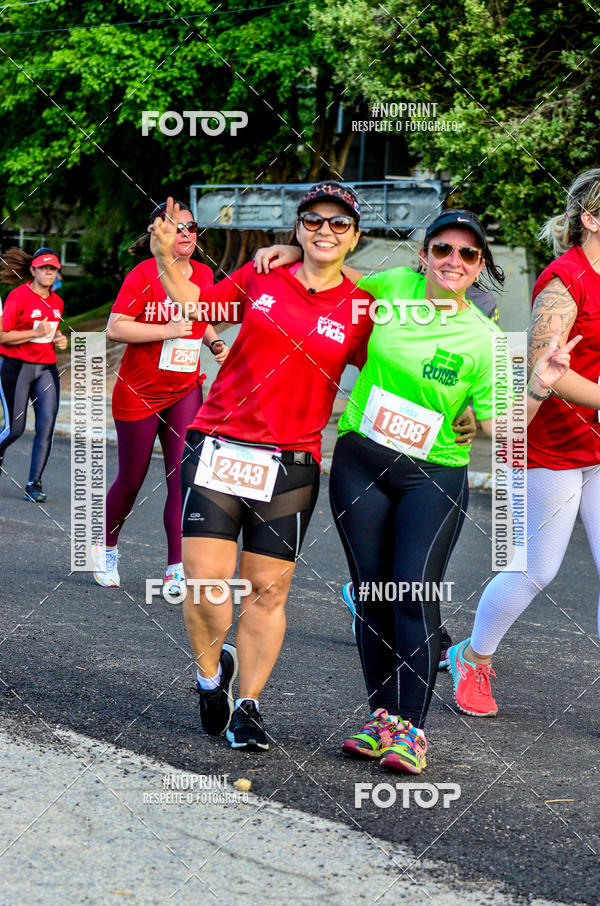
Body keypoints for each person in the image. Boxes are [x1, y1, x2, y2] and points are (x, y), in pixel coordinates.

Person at [255, 208, 577, 774]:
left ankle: (412, 730)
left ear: (480, 267)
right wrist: (289, 254)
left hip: (433, 474)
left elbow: (504, 424)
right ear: (424, 254)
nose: (454, 261)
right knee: (372, 595)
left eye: (468, 254)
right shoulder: (388, 287)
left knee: (412, 593)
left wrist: (542, 385)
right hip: (361, 463)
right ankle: (382, 719)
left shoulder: (483, 337)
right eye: (443, 249)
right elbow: (330, 276)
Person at [149, 182, 378, 751]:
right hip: (220, 442)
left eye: (339, 222)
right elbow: (199, 313)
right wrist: (164, 257)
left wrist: (462, 416)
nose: (325, 230)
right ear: (298, 228)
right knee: (204, 585)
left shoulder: (363, 306)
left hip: (292, 461)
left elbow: (397, 369)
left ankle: (247, 706)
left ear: (355, 235)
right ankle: (210, 679)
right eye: (313, 220)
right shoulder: (260, 278)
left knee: (267, 593)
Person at [447, 168, 600, 718]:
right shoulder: (565, 281)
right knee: (536, 568)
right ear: (590, 218)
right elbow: (546, 369)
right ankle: (474, 657)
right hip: (548, 443)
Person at [93, 201, 229, 597]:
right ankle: (106, 548)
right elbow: (115, 328)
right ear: (159, 233)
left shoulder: (203, 273)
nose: (187, 234)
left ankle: (175, 566)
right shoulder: (141, 274)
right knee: (132, 479)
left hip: (185, 389)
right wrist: (166, 330)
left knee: (182, 480)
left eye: (192, 228)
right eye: (178, 228)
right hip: (139, 393)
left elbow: (200, 318)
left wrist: (216, 340)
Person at [0, 247, 68, 502]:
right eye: (44, 268)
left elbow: (50, 334)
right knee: (16, 429)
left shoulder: (57, 301)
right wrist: (33, 333)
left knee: (46, 427)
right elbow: (3, 336)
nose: (49, 272)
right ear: (33, 270)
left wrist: (59, 339)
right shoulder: (17, 296)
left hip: (45, 369)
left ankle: (34, 483)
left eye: (53, 269)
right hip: (16, 368)